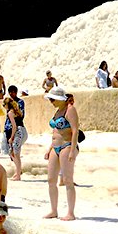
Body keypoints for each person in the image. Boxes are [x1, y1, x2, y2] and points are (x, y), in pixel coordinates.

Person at [43, 86, 79, 220]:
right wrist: (49, 148)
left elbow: (75, 130)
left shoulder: (70, 110)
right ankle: (53, 210)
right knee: (51, 180)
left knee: (68, 180)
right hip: (55, 147)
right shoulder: (58, 111)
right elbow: (55, 132)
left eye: (52, 99)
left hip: (66, 146)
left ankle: (70, 213)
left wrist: (72, 150)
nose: (51, 101)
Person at [4, 86, 27, 181]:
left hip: (17, 131)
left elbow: (14, 126)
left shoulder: (11, 111)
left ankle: (18, 174)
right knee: (14, 152)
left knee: (15, 153)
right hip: (20, 131)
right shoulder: (15, 110)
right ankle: (17, 172)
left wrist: (11, 137)